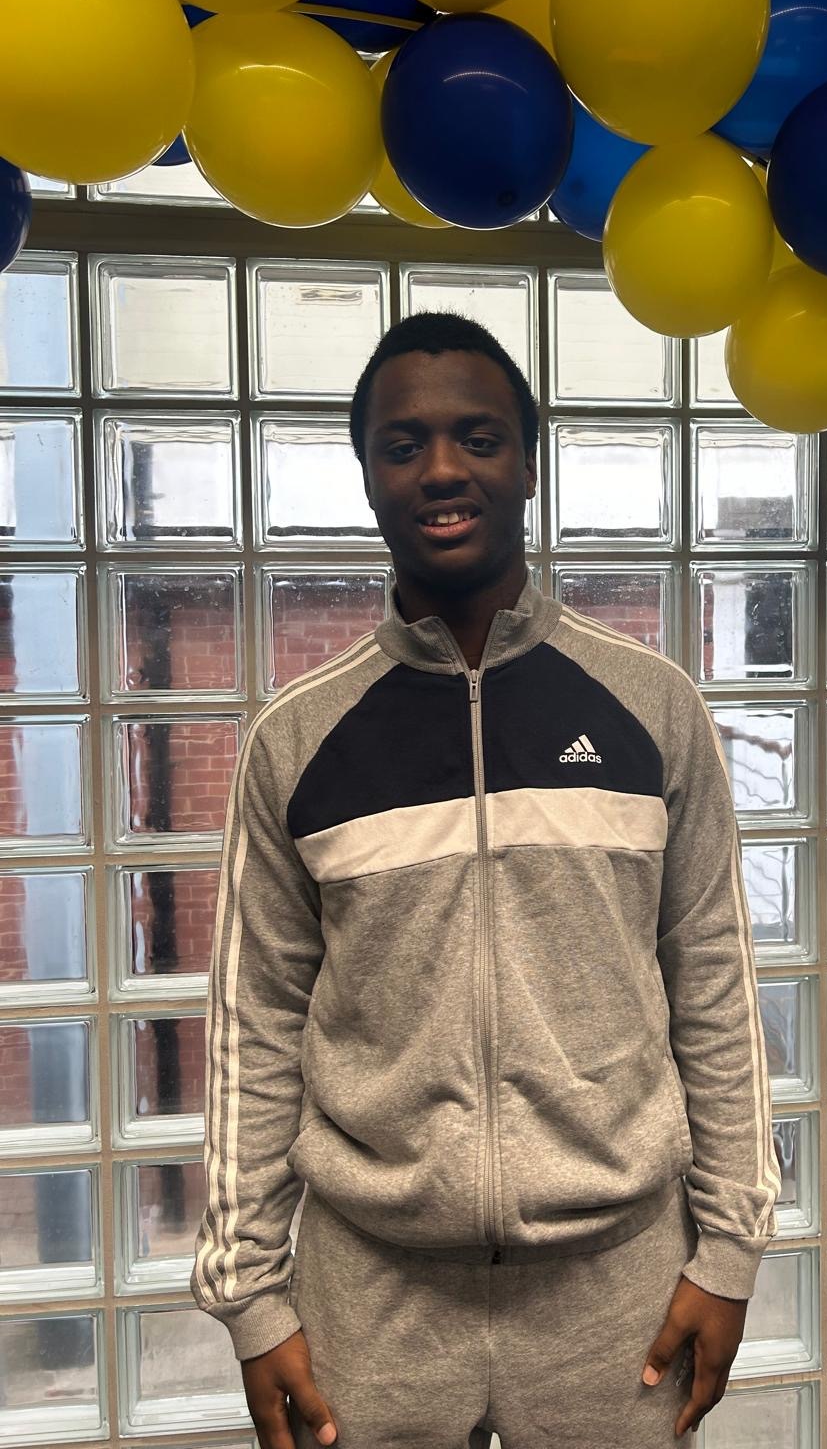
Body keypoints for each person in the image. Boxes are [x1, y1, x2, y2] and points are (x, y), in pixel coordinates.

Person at [190, 311, 781, 1447]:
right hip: (373, 1291)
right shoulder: (296, 739)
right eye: (403, 445)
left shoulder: (652, 707)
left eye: (478, 437)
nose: (443, 469)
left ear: (529, 464)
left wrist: (730, 1249)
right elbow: (255, 1022)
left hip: (616, 1285)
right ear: (369, 479)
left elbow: (713, 982)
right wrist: (252, 1295)